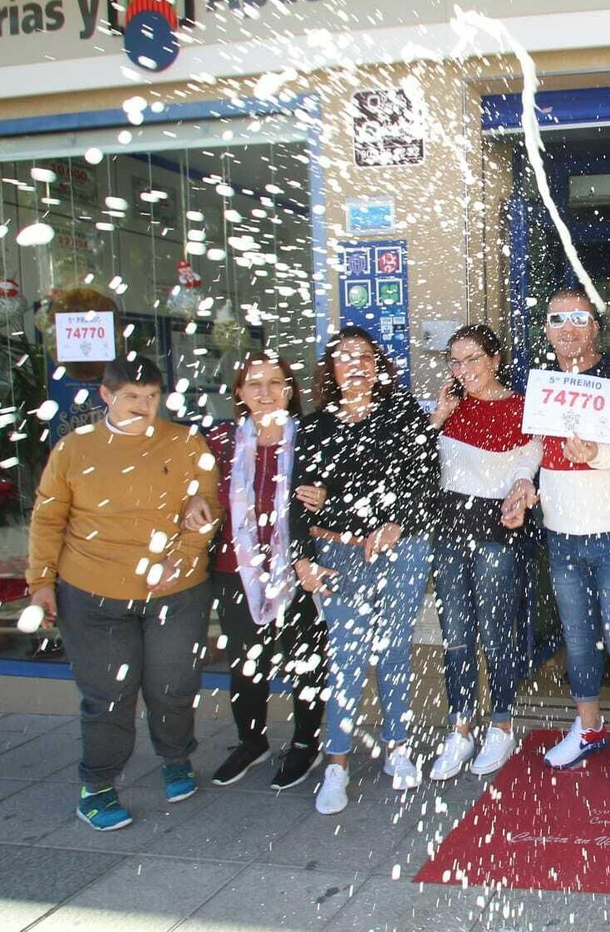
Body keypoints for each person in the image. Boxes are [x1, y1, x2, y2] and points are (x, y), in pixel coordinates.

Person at [25, 357, 220, 831]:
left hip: (176, 590)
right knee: (109, 695)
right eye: (132, 396)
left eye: (151, 397)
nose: (143, 406)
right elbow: (48, 520)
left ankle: (175, 758)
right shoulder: (75, 448)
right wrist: (41, 584)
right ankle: (97, 786)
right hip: (93, 591)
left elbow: (207, 505)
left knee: (172, 686)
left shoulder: (186, 441)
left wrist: (186, 551)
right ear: (107, 397)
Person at [291, 326, 436, 815]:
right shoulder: (313, 427)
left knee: (394, 648)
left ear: (379, 364)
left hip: (401, 550)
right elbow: (299, 500)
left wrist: (395, 522)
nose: (356, 364)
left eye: (365, 356)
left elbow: (425, 480)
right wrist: (302, 557)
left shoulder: (402, 412)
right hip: (337, 555)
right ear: (329, 370)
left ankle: (398, 746)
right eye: (344, 357)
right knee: (347, 657)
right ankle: (337, 761)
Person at [185, 353, 328, 791]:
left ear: (289, 389)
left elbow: (341, 489)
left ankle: (306, 743)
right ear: (240, 394)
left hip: (298, 566)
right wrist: (191, 499)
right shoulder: (219, 440)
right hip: (236, 570)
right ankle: (251, 741)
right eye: (254, 384)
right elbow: (190, 484)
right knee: (246, 663)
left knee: (308, 661)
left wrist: (326, 498)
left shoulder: (313, 436)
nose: (265, 393)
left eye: (274, 383)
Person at [534, 290, 610, 787]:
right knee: (579, 641)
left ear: (595, 327)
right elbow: (534, 449)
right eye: (556, 319)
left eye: (578, 319)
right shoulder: (540, 381)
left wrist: (596, 453)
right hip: (561, 533)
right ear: (546, 328)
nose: (567, 329)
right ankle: (589, 729)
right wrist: (526, 483)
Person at [426, 324, 544, 782]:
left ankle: (501, 723)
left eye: (473, 358)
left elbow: (526, 463)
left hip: (496, 530)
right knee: (456, 636)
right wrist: (437, 417)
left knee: (496, 633)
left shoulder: (521, 408)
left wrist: (521, 485)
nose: (463, 369)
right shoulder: (447, 408)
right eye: (455, 360)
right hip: (449, 532)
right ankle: (460, 728)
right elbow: (415, 465)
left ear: (495, 360)